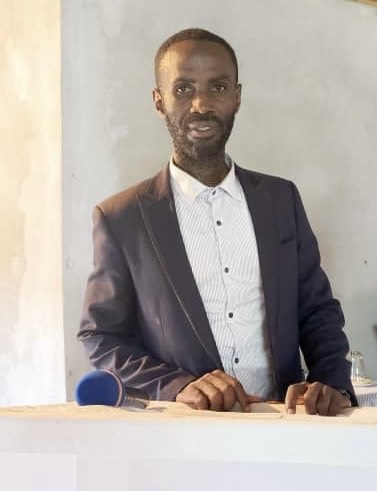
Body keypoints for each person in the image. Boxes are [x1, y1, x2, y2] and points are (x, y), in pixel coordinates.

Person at [78, 28, 356, 416]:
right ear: (159, 101)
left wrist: (332, 384)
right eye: (183, 89)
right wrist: (178, 385)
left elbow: (317, 311)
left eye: (218, 87)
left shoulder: (281, 201)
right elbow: (101, 335)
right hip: (184, 433)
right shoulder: (122, 218)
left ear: (237, 97)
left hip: (283, 424)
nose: (201, 105)